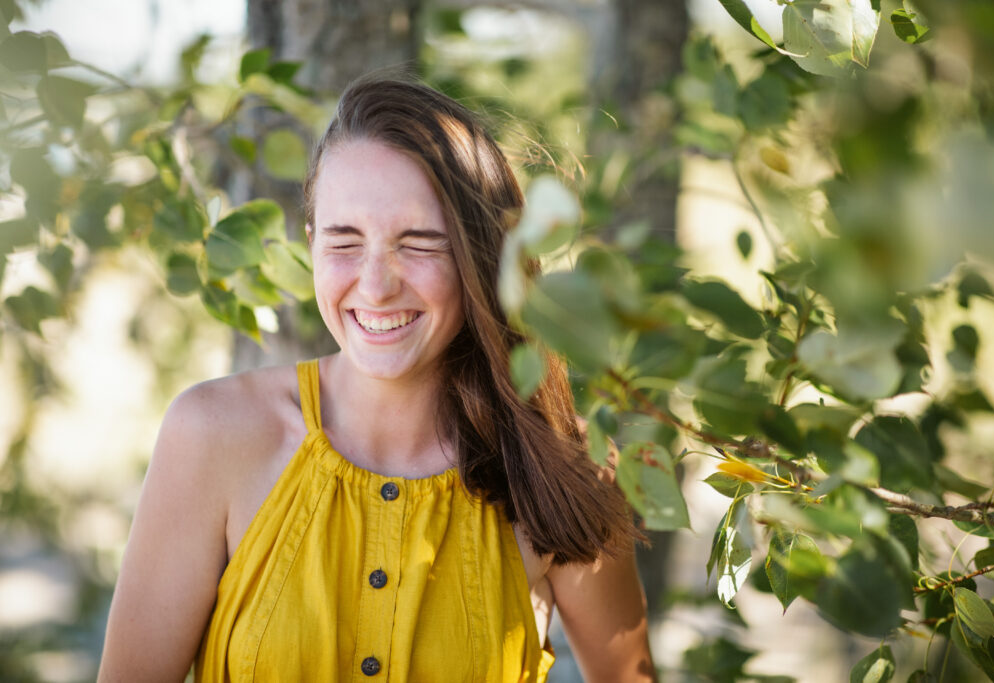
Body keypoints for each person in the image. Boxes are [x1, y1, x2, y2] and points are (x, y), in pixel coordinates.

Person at [98, 76, 655, 682]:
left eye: (419, 244)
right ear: (312, 245)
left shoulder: (561, 466)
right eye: (345, 242)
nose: (376, 285)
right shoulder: (212, 435)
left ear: (481, 258)